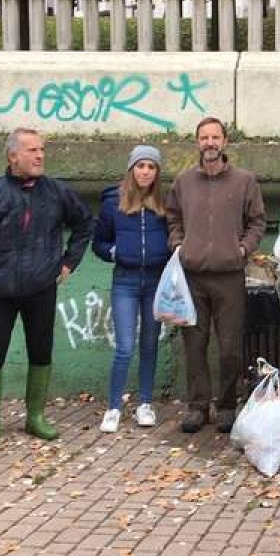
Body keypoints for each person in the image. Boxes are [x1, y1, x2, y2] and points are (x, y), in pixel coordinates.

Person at [0, 128, 92, 449]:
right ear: (13, 156)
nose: (40, 156)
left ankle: (35, 416)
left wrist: (68, 262)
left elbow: (84, 223)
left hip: (41, 287)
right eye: (32, 150)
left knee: (41, 350)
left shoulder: (56, 192)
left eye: (42, 150)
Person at [167, 117, 266, 434]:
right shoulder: (183, 182)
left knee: (229, 347)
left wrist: (242, 249)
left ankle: (226, 406)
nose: (209, 143)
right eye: (203, 137)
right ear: (197, 142)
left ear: (225, 142)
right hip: (192, 276)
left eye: (215, 137)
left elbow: (258, 222)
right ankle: (198, 407)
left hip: (229, 276)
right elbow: (173, 217)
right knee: (194, 345)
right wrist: (179, 245)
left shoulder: (244, 180)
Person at [93, 145, 171, 433]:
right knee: (124, 347)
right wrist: (115, 252)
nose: (145, 172)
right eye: (140, 166)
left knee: (149, 345)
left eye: (151, 167)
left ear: (157, 172)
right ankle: (114, 407)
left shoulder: (165, 203)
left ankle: (145, 403)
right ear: (131, 169)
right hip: (124, 281)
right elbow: (98, 243)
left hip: (155, 281)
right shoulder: (113, 202)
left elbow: (176, 233)